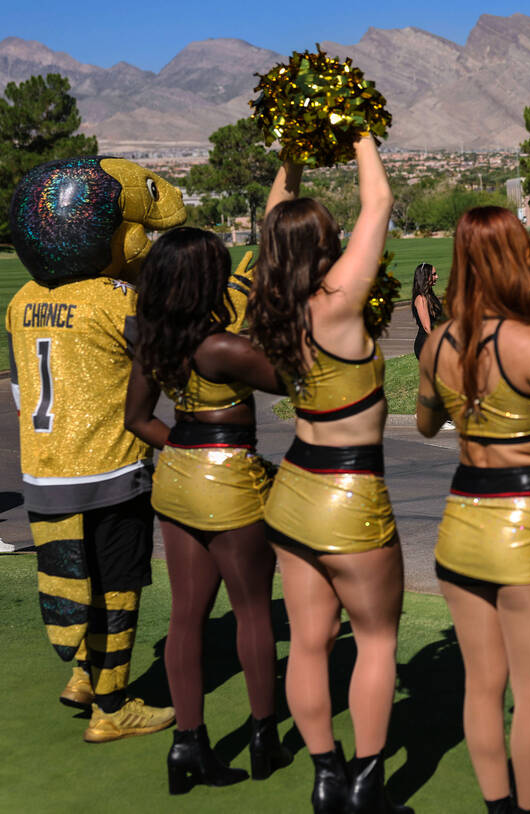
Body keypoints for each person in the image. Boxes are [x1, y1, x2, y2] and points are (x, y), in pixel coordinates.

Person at [247, 136, 412, 814]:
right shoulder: (338, 302)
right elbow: (379, 200)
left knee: (310, 643)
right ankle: (368, 786)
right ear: (324, 243)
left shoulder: (271, 298)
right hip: (351, 496)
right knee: (375, 638)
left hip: (291, 494)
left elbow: (271, 217)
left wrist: (291, 153)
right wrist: (356, 130)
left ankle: (325, 776)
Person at [5, 157, 180, 744]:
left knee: (70, 577)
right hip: (110, 466)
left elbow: (17, 385)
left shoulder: (22, 299)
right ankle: (113, 706)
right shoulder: (114, 299)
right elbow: (166, 362)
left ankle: (84, 674)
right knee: (118, 581)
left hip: (43, 467)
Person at [415, 206, 530, 814]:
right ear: (518, 257)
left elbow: (427, 426)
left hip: (461, 526)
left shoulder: (438, 344)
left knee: (482, 685)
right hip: (527, 525)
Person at [123, 227, 292, 794]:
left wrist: (186, 448)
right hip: (230, 484)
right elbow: (295, 379)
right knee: (252, 611)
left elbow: (139, 419)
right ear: (204, 281)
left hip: (175, 483)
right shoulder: (224, 347)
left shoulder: (155, 340)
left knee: (185, 618)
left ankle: (187, 745)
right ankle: (265, 734)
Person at [411, 262, 444, 358]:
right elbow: (427, 327)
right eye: (433, 274)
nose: (437, 277)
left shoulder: (430, 295)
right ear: (425, 277)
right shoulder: (421, 299)